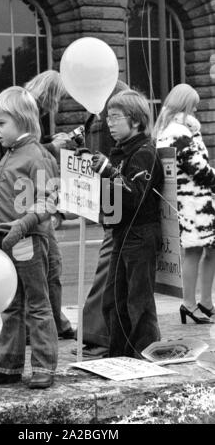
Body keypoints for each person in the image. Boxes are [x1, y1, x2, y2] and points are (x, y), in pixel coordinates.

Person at [0, 86, 58, 389]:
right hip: (5, 239)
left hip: (28, 240)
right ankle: (7, 365)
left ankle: (44, 366)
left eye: (0, 123)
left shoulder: (37, 156)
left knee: (37, 304)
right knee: (10, 303)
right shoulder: (9, 155)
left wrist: (23, 225)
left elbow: (50, 200)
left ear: (22, 120)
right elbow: (0, 199)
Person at [0, 70, 75, 341]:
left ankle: (43, 338)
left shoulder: (21, 133)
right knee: (46, 275)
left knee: (34, 289)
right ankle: (48, 328)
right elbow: (32, 171)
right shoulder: (20, 119)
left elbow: (43, 190)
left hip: (26, 221)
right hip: (25, 220)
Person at [91, 89, 164, 358]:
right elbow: (112, 194)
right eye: (107, 117)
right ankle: (119, 353)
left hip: (140, 233)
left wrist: (108, 171)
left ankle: (144, 353)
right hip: (122, 232)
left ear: (135, 120)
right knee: (114, 299)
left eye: (115, 117)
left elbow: (134, 195)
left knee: (139, 301)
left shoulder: (145, 152)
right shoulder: (121, 151)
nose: (109, 122)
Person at [72, 79, 129, 358]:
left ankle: (96, 333)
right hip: (111, 195)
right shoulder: (108, 102)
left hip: (110, 195)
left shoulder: (104, 103)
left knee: (110, 264)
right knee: (111, 264)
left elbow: (108, 157)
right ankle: (96, 333)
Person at [155, 83, 215, 324]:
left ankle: (204, 302)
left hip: (193, 201)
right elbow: (198, 169)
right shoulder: (178, 132)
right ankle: (190, 303)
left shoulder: (172, 130)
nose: (197, 109)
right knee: (194, 251)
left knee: (207, 249)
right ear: (185, 105)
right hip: (193, 203)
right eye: (195, 105)